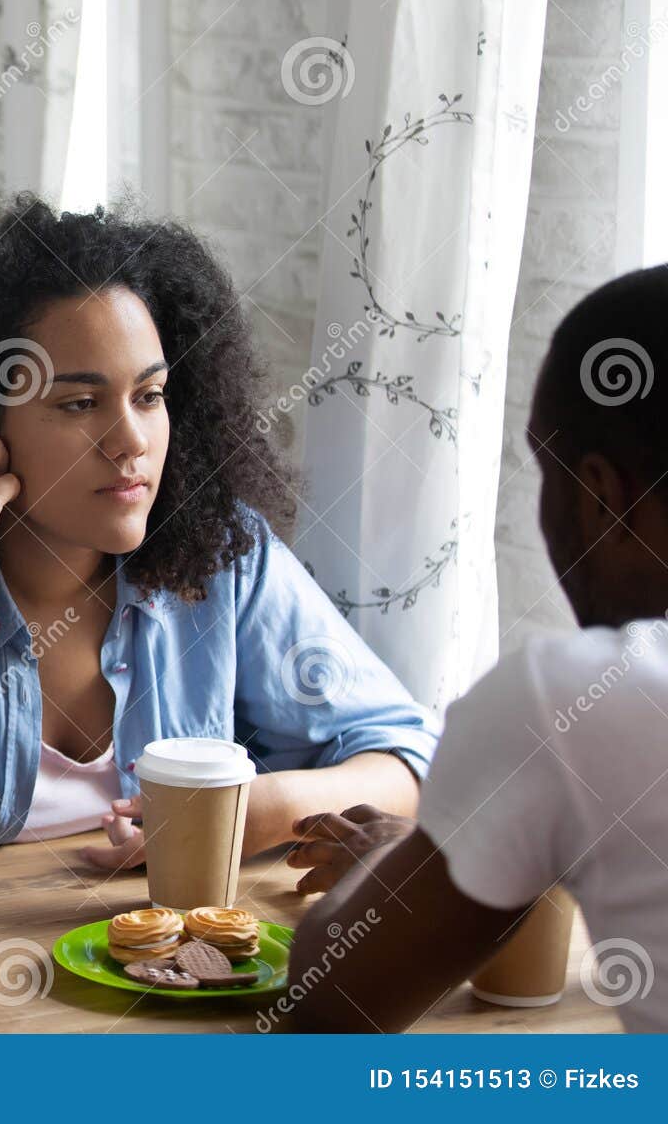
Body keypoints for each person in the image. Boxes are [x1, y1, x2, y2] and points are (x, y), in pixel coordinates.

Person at [0, 196, 439, 938]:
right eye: (79, 402)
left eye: (149, 396)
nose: (131, 441)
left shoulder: (223, 560)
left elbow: (408, 757)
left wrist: (245, 811)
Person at [287, 264, 668, 1033]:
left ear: (601, 494)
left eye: (543, 471)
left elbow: (328, 1005)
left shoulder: (577, 698)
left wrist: (378, 870)